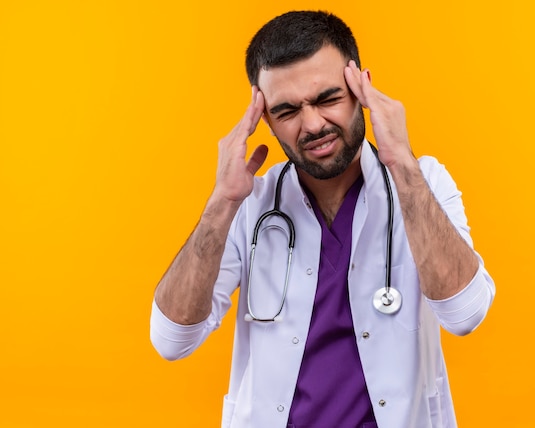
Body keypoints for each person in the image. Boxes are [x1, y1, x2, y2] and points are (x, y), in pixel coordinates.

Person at [150, 10, 495, 428]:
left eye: (328, 98)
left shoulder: (422, 184)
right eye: (287, 110)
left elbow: (465, 314)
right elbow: (171, 341)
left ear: (361, 89)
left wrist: (402, 165)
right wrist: (221, 202)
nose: (313, 124)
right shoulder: (249, 206)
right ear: (265, 120)